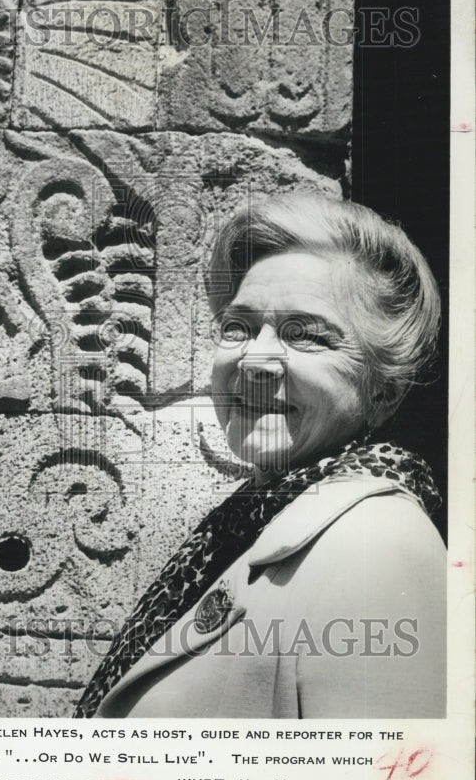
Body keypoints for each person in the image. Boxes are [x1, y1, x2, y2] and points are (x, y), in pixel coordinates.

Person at [74, 193, 445, 719]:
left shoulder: (378, 546)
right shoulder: (255, 518)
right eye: (238, 327)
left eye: (304, 335)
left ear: (383, 392)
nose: (255, 359)